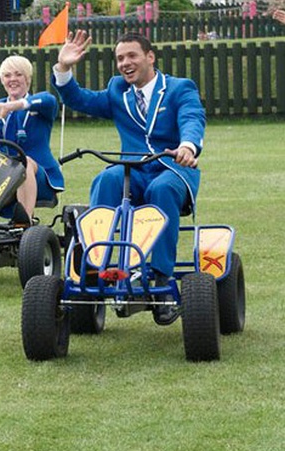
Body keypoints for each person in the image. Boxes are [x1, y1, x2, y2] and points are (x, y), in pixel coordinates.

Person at [52, 31, 205, 325]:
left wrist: (187, 146)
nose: (125, 63)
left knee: (162, 189)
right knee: (106, 179)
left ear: (150, 57)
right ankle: (95, 264)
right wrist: (64, 69)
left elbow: (192, 118)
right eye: (120, 58)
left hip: (172, 168)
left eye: (132, 56)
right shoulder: (117, 90)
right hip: (133, 172)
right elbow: (79, 99)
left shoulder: (178, 88)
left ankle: (161, 282)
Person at [0, 55, 64, 271]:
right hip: (4, 178)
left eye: (18, 74)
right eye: (8, 75)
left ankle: (25, 224)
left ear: (28, 79)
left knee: (25, 162)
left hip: (40, 175)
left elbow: (48, 101)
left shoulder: (40, 104)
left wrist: (12, 107)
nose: (13, 79)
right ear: (2, 80)